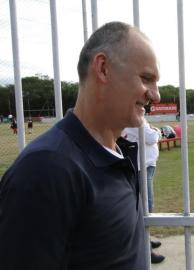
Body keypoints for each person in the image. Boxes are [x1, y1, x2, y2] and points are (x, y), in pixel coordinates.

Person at [0, 21, 160, 270]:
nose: (156, 95)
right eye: (146, 78)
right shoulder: (46, 169)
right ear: (103, 68)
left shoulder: (117, 154)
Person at [122, 118, 165, 264]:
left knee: (145, 205)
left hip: (145, 165)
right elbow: (151, 137)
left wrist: (152, 130)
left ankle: (146, 239)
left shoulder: (137, 118)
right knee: (146, 206)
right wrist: (157, 131)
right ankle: (145, 249)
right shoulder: (133, 119)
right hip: (141, 167)